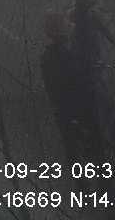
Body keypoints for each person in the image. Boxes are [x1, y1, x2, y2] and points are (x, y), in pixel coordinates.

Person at [40, 11, 103, 167]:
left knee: (69, 139)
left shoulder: (47, 56)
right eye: (67, 24)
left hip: (60, 106)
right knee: (94, 122)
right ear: (61, 31)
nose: (70, 26)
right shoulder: (67, 56)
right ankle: (96, 156)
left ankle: (75, 161)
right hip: (76, 104)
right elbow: (80, 79)